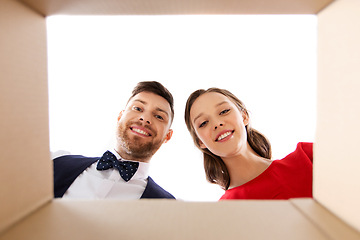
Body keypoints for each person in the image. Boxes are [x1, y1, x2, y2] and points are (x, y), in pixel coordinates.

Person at [184, 87, 313, 200]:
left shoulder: (309, 157)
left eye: (224, 111)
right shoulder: (224, 212)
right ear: (200, 141)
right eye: (203, 123)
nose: (217, 124)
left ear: (244, 116)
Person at [53, 81, 175, 199]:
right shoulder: (55, 161)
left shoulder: (169, 206)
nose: (144, 118)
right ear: (120, 116)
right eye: (138, 108)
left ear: (167, 136)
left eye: (159, 116)